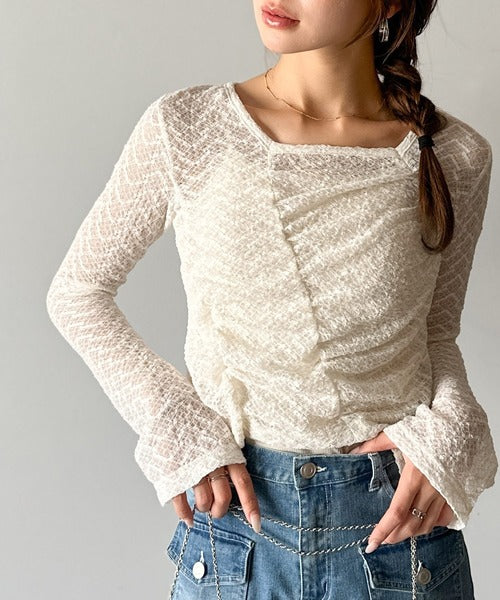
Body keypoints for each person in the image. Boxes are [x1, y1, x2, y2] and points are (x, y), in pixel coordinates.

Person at [46, 0, 498, 597]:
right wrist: (179, 423)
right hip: (238, 535)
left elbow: (436, 332)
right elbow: (78, 292)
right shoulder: (189, 127)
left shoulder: (455, 154)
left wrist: (453, 428)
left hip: (395, 538)